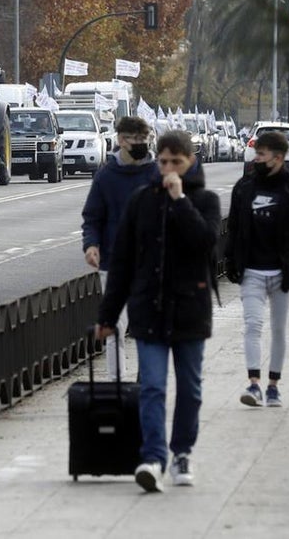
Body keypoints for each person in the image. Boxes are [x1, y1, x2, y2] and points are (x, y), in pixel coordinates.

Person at [95, 130, 221, 493]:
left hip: (190, 310)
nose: (167, 169)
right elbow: (121, 263)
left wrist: (180, 201)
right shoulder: (141, 201)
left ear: (190, 162)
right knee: (151, 386)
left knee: (190, 389)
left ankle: (182, 453)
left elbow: (205, 243)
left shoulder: (206, 200)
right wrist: (108, 317)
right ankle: (152, 456)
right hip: (149, 309)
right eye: (163, 161)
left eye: (175, 162)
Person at [224, 130, 289, 409]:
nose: (257, 159)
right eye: (256, 154)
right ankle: (253, 384)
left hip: (281, 273)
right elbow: (234, 228)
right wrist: (231, 261)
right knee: (252, 325)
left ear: (278, 158)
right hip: (251, 271)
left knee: (278, 329)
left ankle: (273, 386)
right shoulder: (244, 188)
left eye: (262, 155)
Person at [81, 116, 158, 379]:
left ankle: (145, 381)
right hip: (113, 262)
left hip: (148, 263)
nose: (142, 144)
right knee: (115, 325)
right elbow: (92, 216)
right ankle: (117, 383)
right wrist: (91, 245)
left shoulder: (155, 173)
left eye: (145, 139)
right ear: (121, 140)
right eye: (136, 139)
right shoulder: (106, 175)